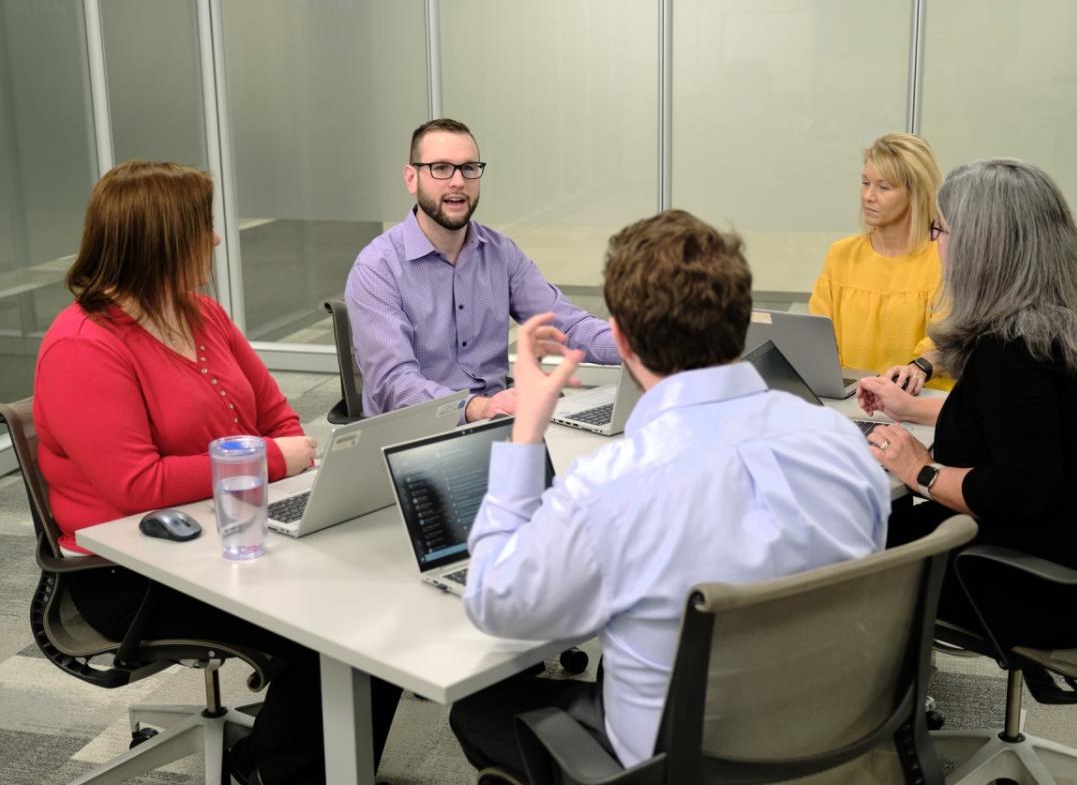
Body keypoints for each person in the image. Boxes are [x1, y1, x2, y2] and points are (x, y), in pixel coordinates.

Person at [448, 209, 890, 776]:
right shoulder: (842, 444)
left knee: (476, 709)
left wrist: (525, 434)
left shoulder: (609, 490)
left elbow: (493, 601)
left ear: (622, 340)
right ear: (742, 320)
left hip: (681, 767)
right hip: (831, 739)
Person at [33, 161, 400, 785]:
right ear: (159, 241)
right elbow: (137, 487)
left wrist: (273, 458)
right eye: (203, 226)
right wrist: (265, 461)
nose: (216, 238)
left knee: (381, 600)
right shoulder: (83, 346)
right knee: (337, 631)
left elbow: (281, 420)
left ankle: (290, 762)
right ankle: (278, 771)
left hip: (229, 532)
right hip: (130, 573)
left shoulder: (201, 314)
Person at [857, 158, 1077, 648]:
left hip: (1035, 586)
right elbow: (1020, 429)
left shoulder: (1012, 350)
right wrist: (909, 412)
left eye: (939, 229)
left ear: (980, 249)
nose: (935, 242)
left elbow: (1016, 490)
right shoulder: (1071, 324)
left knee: (850, 536)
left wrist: (920, 470)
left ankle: (870, 703)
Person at [345, 117, 620, 420]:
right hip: (416, 438)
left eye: (468, 168)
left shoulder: (501, 252)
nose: (458, 182)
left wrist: (643, 345)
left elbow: (567, 327)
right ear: (411, 179)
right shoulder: (376, 268)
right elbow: (393, 383)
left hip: (497, 424)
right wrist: (477, 408)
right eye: (440, 168)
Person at [809, 132, 951, 393]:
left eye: (883, 187)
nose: (868, 196)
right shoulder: (841, 255)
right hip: (853, 404)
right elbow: (816, 337)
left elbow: (949, 342)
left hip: (922, 407)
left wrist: (918, 368)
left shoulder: (943, 260)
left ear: (916, 194)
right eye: (865, 183)